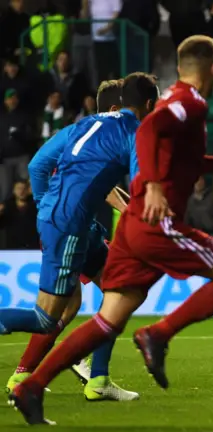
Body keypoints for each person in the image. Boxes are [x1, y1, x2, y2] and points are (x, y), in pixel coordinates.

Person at [9, 35, 213, 426]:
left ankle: (66, 382)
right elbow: (148, 135)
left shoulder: (86, 124)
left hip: (79, 221)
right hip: (106, 224)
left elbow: (41, 164)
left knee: (106, 314)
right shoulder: (178, 107)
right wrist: (153, 186)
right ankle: (158, 335)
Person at [4, 74, 155, 406]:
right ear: (121, 108)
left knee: (118, 290)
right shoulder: (125, 132)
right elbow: (139, 183)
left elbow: (39, 165)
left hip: (70, 225)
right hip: (68, 227)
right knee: (51, 314)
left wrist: (47, 207)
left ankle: (84, 378)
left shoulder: (80, 130)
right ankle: (56, 373)